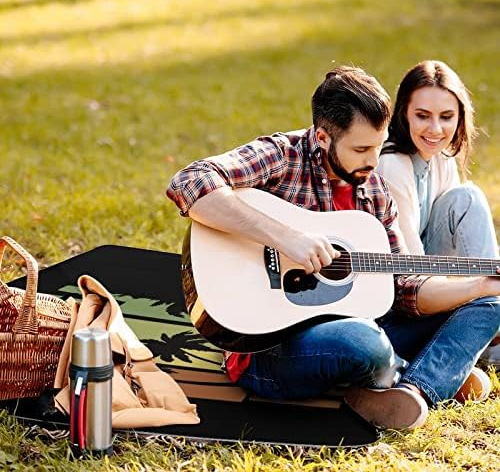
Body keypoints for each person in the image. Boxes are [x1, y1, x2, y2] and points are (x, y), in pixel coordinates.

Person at [167, 66, 500, 430]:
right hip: (269, 348)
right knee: (363, 343)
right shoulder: (282, 155)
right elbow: (190, 181)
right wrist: (284, 236)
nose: (373, 162)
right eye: (361, 149)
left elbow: (405, 286)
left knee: (490, 304)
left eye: (378, 145)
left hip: (365, 325)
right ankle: (432, 370)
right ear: (323, 137)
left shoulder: (373, 189)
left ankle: (415, 390)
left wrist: (477, 286)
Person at [376, 60, 500, 366]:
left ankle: (488, 324)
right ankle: (486, 331)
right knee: (468, 197)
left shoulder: (440, 157)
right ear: (404, 113)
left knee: (465, 197)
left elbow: (460, 252)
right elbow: (412, 273)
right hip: (401, 298)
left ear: (460, 117)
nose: (435, 129)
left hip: (436, 284)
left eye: (447, 117)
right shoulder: (393, 164)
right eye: (422, 116)